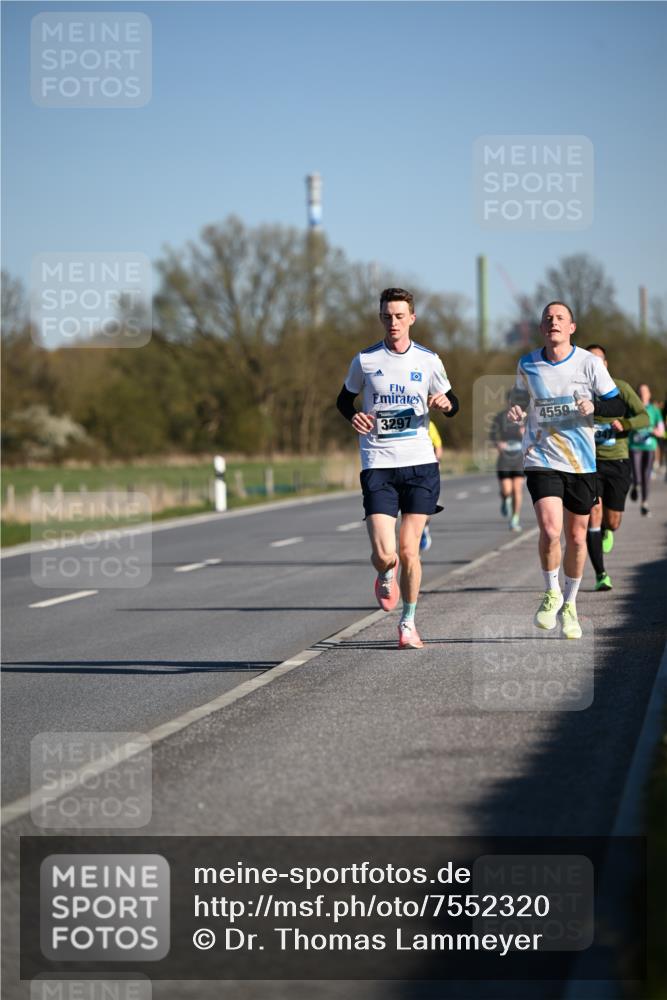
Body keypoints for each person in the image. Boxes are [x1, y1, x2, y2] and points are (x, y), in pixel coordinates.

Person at [336, 287, 459, 649]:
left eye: (400, 316)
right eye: (388, 316)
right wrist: (354, 416)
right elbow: (344, 400)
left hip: (420, 464)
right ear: (381, 318)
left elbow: (453, 401)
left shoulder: (428, 360)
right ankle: (385, 574)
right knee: (385, 554)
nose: (394, 322)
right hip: (378, 464)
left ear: (412, 318)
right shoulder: (365, 360)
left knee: (409, 551)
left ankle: (408, 623)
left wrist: (445, 404)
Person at [507, 302, 624, 639]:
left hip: (581, 462)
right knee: (550, 529)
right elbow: (519, 399)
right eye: (548, 318)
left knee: (576, 536)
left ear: (571, 327)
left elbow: (617, 403)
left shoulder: (589, 363)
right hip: (541, 458)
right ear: (542, 328)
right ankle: (551, 592)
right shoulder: (528, 363)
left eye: (560, 318)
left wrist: (594, 406)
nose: (553, 322)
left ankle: (570, 605)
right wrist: (516, 410)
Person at [584, 345, 649, 591]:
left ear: (605, 364)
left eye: (598, 361)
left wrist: (626, 424)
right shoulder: (580, 390)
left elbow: (644, 417)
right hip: (589, 463)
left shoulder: (620, 388)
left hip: (618, 461)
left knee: (613, 521)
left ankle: (607, 529)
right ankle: (601, 574)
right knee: (593, 514)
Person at [489, 393, 525, 531]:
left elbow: (535, 434)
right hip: (505, 458)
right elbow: (492, 434)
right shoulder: (500, 417)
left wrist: (525, 433)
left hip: (519, 457)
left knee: (517, 489)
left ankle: (515, 518)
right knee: (507, 490)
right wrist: (498, 443)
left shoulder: (524, 417)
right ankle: (505, 499)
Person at [628, 383, 665, 516]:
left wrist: (656, 431)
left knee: (646, 475)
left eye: (645, 392)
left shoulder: (654, 410)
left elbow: (661, 429)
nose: (642, 394)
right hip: (635, 446)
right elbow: (626, 424)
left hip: (649, 447)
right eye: (640, 392)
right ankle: (636, 486)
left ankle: (644, 503)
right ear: (637, 394)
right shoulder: (632, 408)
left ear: (649, 394)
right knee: (637, 474)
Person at [419, 419, 444, 553]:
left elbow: (438, 445)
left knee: (423, 506)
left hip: (425, 469)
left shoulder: (428, 423)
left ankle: (424, 527)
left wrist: (436, 462)